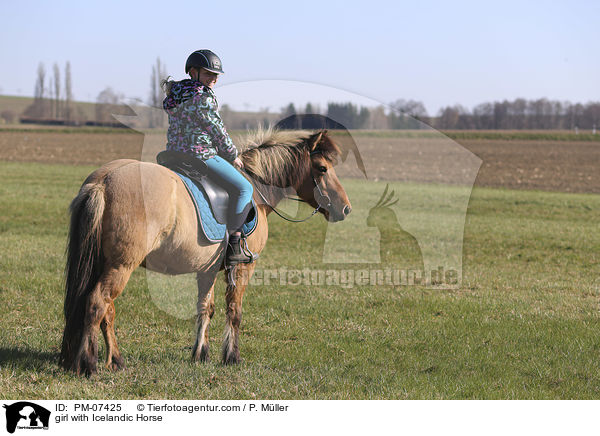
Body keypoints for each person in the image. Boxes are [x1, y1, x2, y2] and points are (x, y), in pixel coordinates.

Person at [162, 49, 256, 265]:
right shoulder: (202, 96)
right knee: (245, 188)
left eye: (216, 76)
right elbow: (216, 129)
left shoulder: (176, 94)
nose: (213, 80)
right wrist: (233, 155)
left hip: (173, 153)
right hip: (200, 154)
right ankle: (234, 245)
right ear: (193, 72)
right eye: (208, 74)